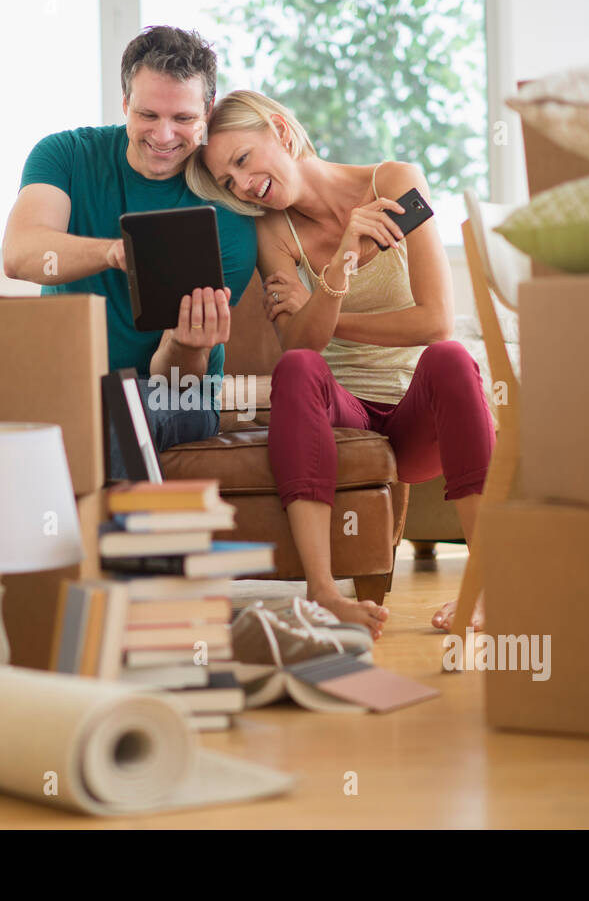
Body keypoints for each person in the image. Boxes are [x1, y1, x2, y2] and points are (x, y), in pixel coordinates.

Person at [186, 90, 495, 637]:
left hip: (416, 420)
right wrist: (340, 270)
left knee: (451, 358)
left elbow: (435, 321)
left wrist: (324, 311)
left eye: (241, 161)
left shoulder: (396, 184)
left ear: (280, 130)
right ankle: (324, 593)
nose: (243, 184)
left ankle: (489, 586)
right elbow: (302, 350)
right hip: (343, 414)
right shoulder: (271, 232)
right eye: (230, 183)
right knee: (299, 371)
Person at [2, 27, 258, 480]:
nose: (163, 135)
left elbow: (172, 375)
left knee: (121, 404)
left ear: (207, 113)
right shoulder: (66, 155)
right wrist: (120, 252)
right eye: (147, 114)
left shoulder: (227, 213)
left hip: (176, 392)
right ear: (124, 104)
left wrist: (184, 341)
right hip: (72, 381)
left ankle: (121, 550)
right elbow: (21, 253)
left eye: (182, 118)